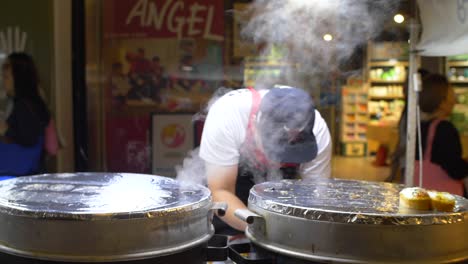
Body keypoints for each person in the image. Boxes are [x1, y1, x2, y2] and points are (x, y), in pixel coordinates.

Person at [200, 86, 332, 234]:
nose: (278, 163)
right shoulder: (227, 115)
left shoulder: (318, 129)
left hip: (285, 207)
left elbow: (316, 194)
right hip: (232, 199)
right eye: (274, 150)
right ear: (255, 123)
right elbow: (220, 190)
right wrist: (264, 230)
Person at [414, 73, 467, 196]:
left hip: (420, 191)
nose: (454, 100)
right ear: (441, 101)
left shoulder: (419, 126)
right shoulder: (444, 129)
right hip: (442, 197)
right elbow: (454, 168)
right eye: (451, 95)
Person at [0, 52, 51, 176]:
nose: (3, 81)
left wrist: (5, 130)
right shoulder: (30, 102)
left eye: (6, 77)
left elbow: (28, 138)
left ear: (18, 78)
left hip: (19, 174)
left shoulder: (24, 105)